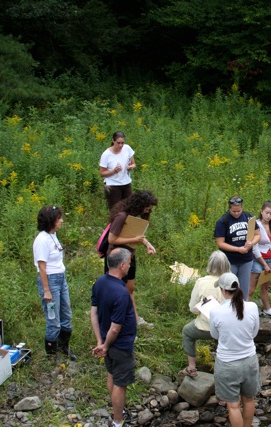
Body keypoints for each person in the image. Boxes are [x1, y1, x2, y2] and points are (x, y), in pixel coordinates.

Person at [90, 248, 137, 427]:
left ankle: (117, 409)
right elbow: (116, 328)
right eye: (129, 263)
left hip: (106, 342)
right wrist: (107, 345)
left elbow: (93, 313)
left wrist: (100, 342)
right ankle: (118, 421)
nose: (130, 266)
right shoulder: (122, 292)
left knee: (112, 374)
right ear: (122, 265)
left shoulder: (100, 282)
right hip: (120, 345)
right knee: (121, 383)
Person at [209, 273, 260, 427]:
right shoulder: (252, 307)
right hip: (249, 360)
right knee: (249, 400)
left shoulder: (215, 311)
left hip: (227, 364)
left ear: (224, 290)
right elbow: (254, 332)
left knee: (233, 405)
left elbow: (214, 335)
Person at [106, 190, 157, 326]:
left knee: (130, 288)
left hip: (129, 256)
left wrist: (147, 244)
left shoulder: (135, 217)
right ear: (139, 204)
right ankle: (118, 322)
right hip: (117, 258)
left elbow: (137, 236)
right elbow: (112, 239)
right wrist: (135, 239)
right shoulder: (121, 217)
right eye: (147, 208)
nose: (148, 211)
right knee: (118, 291)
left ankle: (134, 319)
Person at [33, 205, 76, 360]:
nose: (61, 221)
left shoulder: (53, 235)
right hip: (50, 281)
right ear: (51, 221)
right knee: (53, 320)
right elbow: (42, 268)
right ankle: (51, 355)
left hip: (61, 278)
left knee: (66, 315)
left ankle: (64, 347)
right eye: (58, 219)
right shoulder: (42, 240)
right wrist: (46, 290)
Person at [180, 250, 231, 377]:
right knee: (223, 340)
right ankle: (224, 368)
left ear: (210, 265)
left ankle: (192, 367)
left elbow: (192, 308)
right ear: (226, 265)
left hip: (204, 327)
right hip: (226, 329)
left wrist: (202, 309)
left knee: (187, 332)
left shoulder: (201, 282)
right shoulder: (232, 280)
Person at [214, 196, 260, 300]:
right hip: (230, 260)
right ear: (229, 209)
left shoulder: (249, 217)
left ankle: (243, 310)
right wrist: (238, 249)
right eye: (233, 211)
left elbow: (257, 234)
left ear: (242, 207)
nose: (236, 213)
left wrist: (251, 243)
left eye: (239, 211)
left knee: (244, 289)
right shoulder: (223, 221)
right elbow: (220, 243)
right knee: (229, 288)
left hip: (246, 260)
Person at [249, 201, 271, 319]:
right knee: (251, 288)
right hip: (257, 259)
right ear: (261, 212)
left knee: (265, 287)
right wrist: (264, 264)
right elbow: (254, 247)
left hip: (269, 259)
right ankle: (244, 310)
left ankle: (267, 309)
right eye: (266, 213)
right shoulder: (255, 225)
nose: (268, 216)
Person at [100, 131, 136, 211]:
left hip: (126, 183)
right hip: (113, 185)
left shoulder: (127, 148)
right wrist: (114, 171)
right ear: (113, 141)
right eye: (118, 143)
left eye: (122, 143)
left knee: (129, 208)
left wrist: (131, 167)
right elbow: (102, 173)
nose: (120, 145)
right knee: (116, 211)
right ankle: (114, 223)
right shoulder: (106, 154)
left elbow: (134, 164)